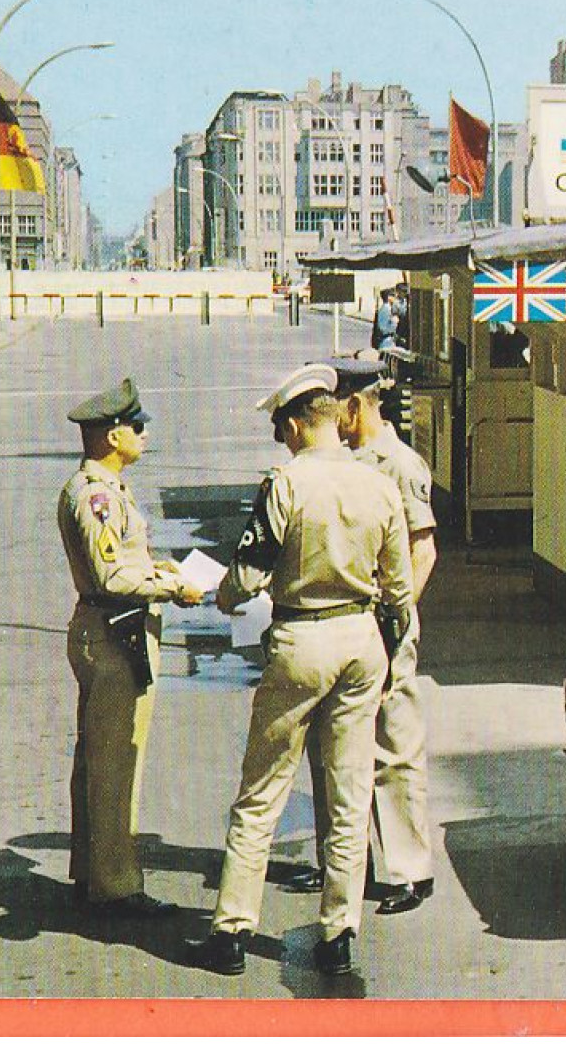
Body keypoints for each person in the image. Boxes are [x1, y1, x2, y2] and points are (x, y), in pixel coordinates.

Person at [189, 365, 414, 978]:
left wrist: (223, 595)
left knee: (262, 791)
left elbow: (249, 574)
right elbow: (399, 590)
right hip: (361, 639)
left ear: (295, 424)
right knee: (348, 792)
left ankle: (233, 928)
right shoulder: (380, 484)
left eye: (279, 429)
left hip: (301, 639)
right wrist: (387, 654)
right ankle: (338, 932)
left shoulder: (284, 484)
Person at [280, 356, 440, 915]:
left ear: (356, 405)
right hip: (351, 625)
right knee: (335, 747)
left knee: (392, 749)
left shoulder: (399, 464)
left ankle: (408, 869)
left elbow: (423, 550)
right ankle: (343, 863)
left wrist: (396, 618)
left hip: (386, 622)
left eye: (337, 410)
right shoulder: (348, 463)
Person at [58, 379, 204, 917]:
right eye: (136, 427)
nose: (143, 435)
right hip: (114, 631)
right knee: (117, 760)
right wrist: (172, 586)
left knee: (98, 756)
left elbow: (122, 561)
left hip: (108, 627)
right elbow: (110, 575)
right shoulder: (96, 494)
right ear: (113, 435)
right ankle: (115, 886)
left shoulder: (107, 487)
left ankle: (92, 871)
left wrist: (155, 567)